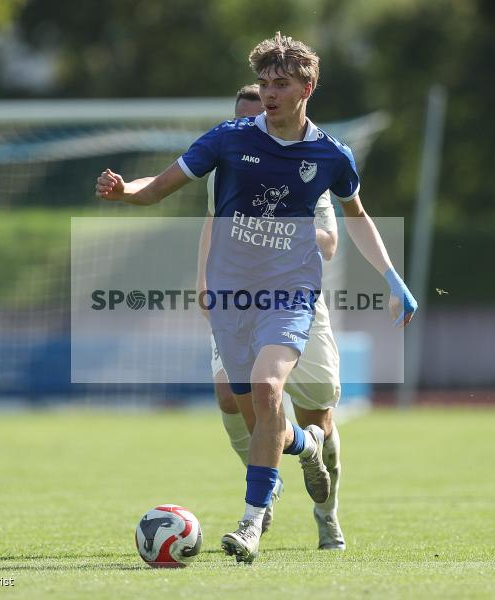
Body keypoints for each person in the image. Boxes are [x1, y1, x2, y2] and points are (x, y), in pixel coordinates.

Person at [96, 32, 416, 564]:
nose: (270, 93)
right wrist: (127, 190)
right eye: (264, 83)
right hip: (231, 298)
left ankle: (251, 525)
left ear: (307, 87)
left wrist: (392, 276)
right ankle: (303, 447)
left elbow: (355, 218)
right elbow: (160, 186)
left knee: (272, 391)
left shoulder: (331, 154)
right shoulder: (228, 138)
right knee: (257, 414)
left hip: (291, 295)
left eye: (281, 83)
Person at [196, 83, 346, 550]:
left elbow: (329, 240)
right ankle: (263, 497)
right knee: (231, 395)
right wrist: (203, 280)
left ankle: (327, 513)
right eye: (244, 118)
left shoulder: (306, 163)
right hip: (238, 300)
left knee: (316, 413)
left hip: (294, 300)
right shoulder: (227, 158)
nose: (251, 125)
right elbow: (214, 224)